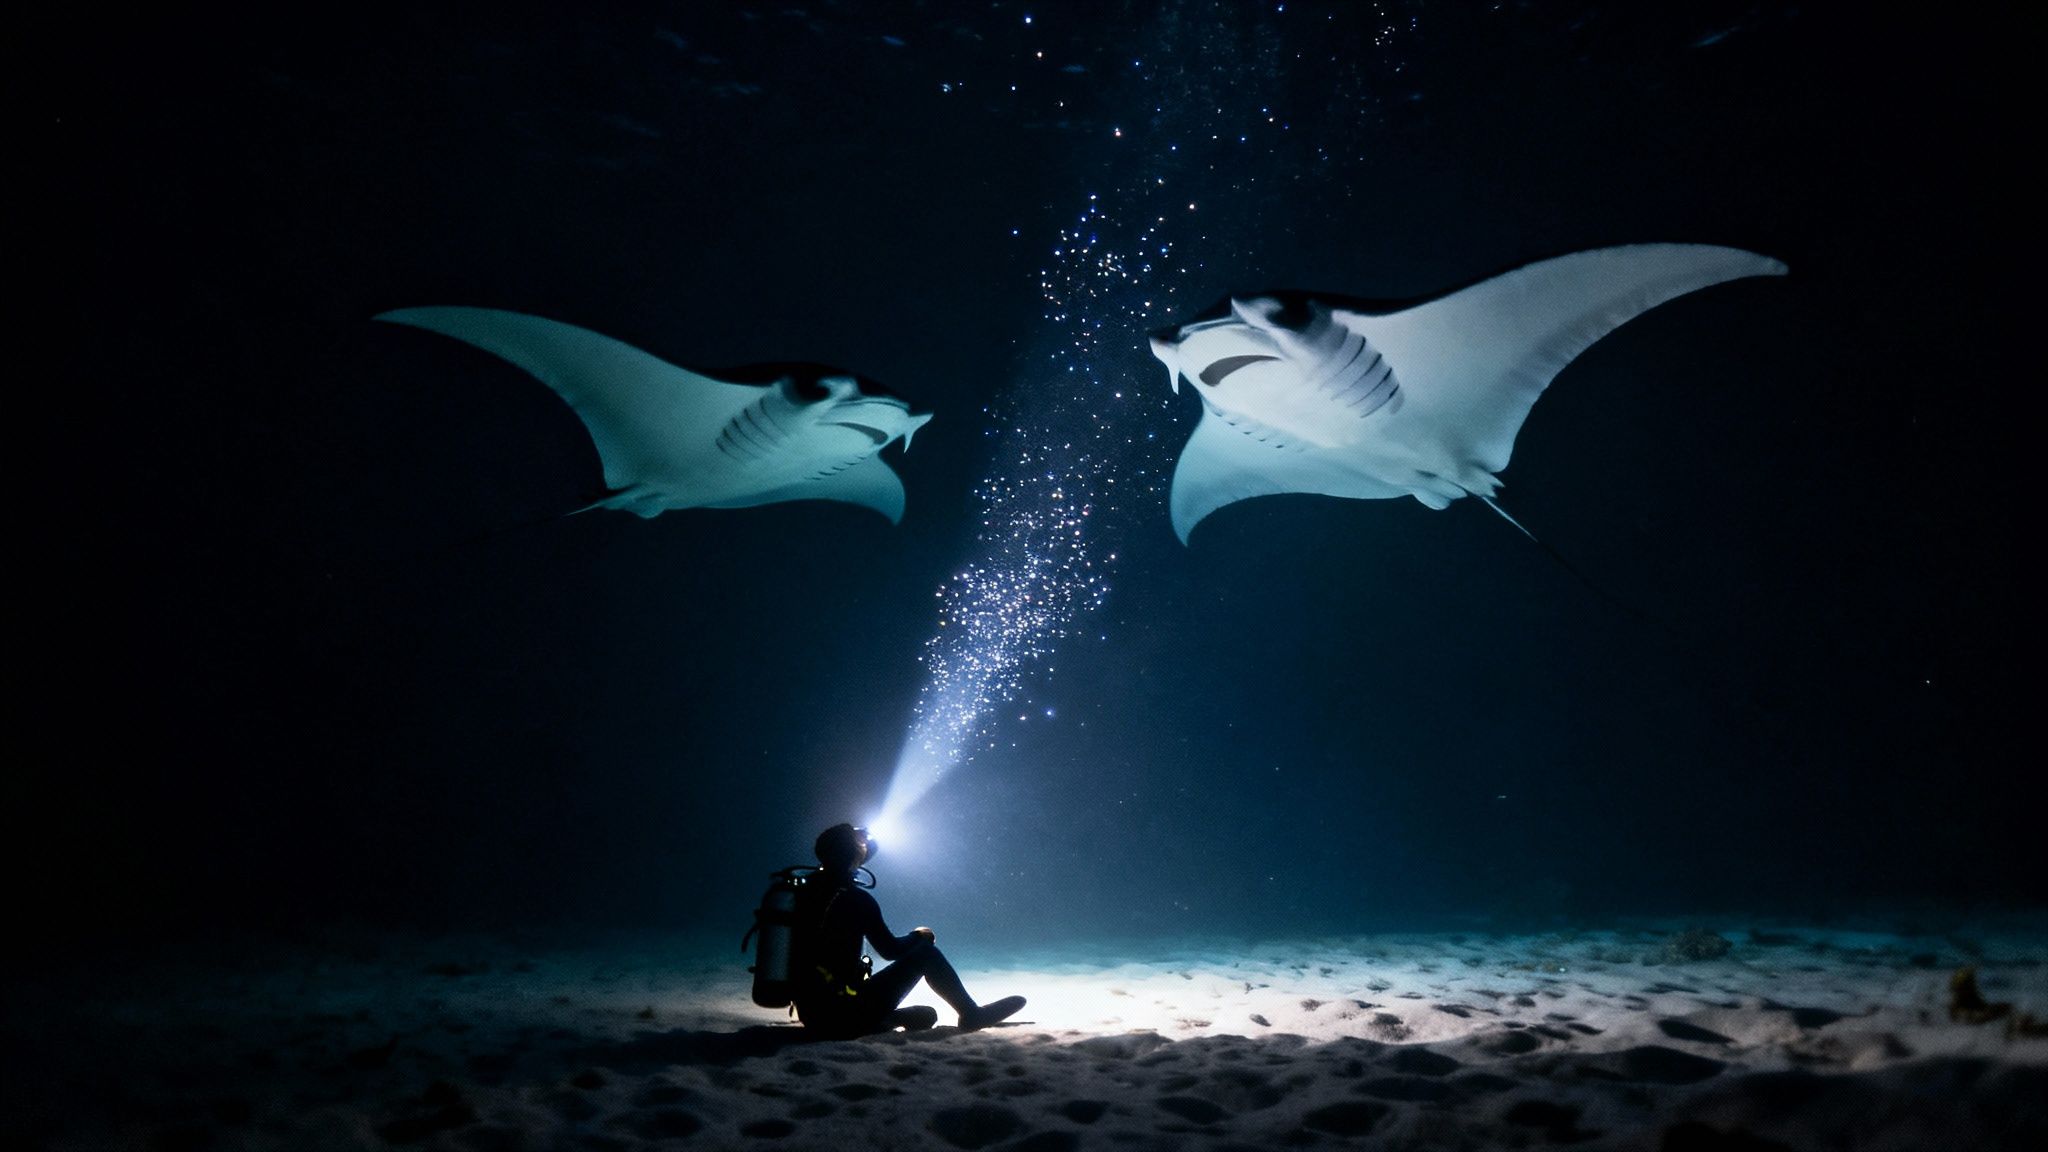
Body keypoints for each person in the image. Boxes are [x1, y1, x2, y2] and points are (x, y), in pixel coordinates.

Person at [791, 823, 1026, 1038]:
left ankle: (885, 1020)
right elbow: (890, 949)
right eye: (859, 845)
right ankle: (972, 1014)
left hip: (813, 1017)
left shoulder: (801, 891)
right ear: (853, 854)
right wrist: (918, 937)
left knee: (928, 1014)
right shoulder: (857, 899)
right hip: (844, 1013)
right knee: (927, 954)